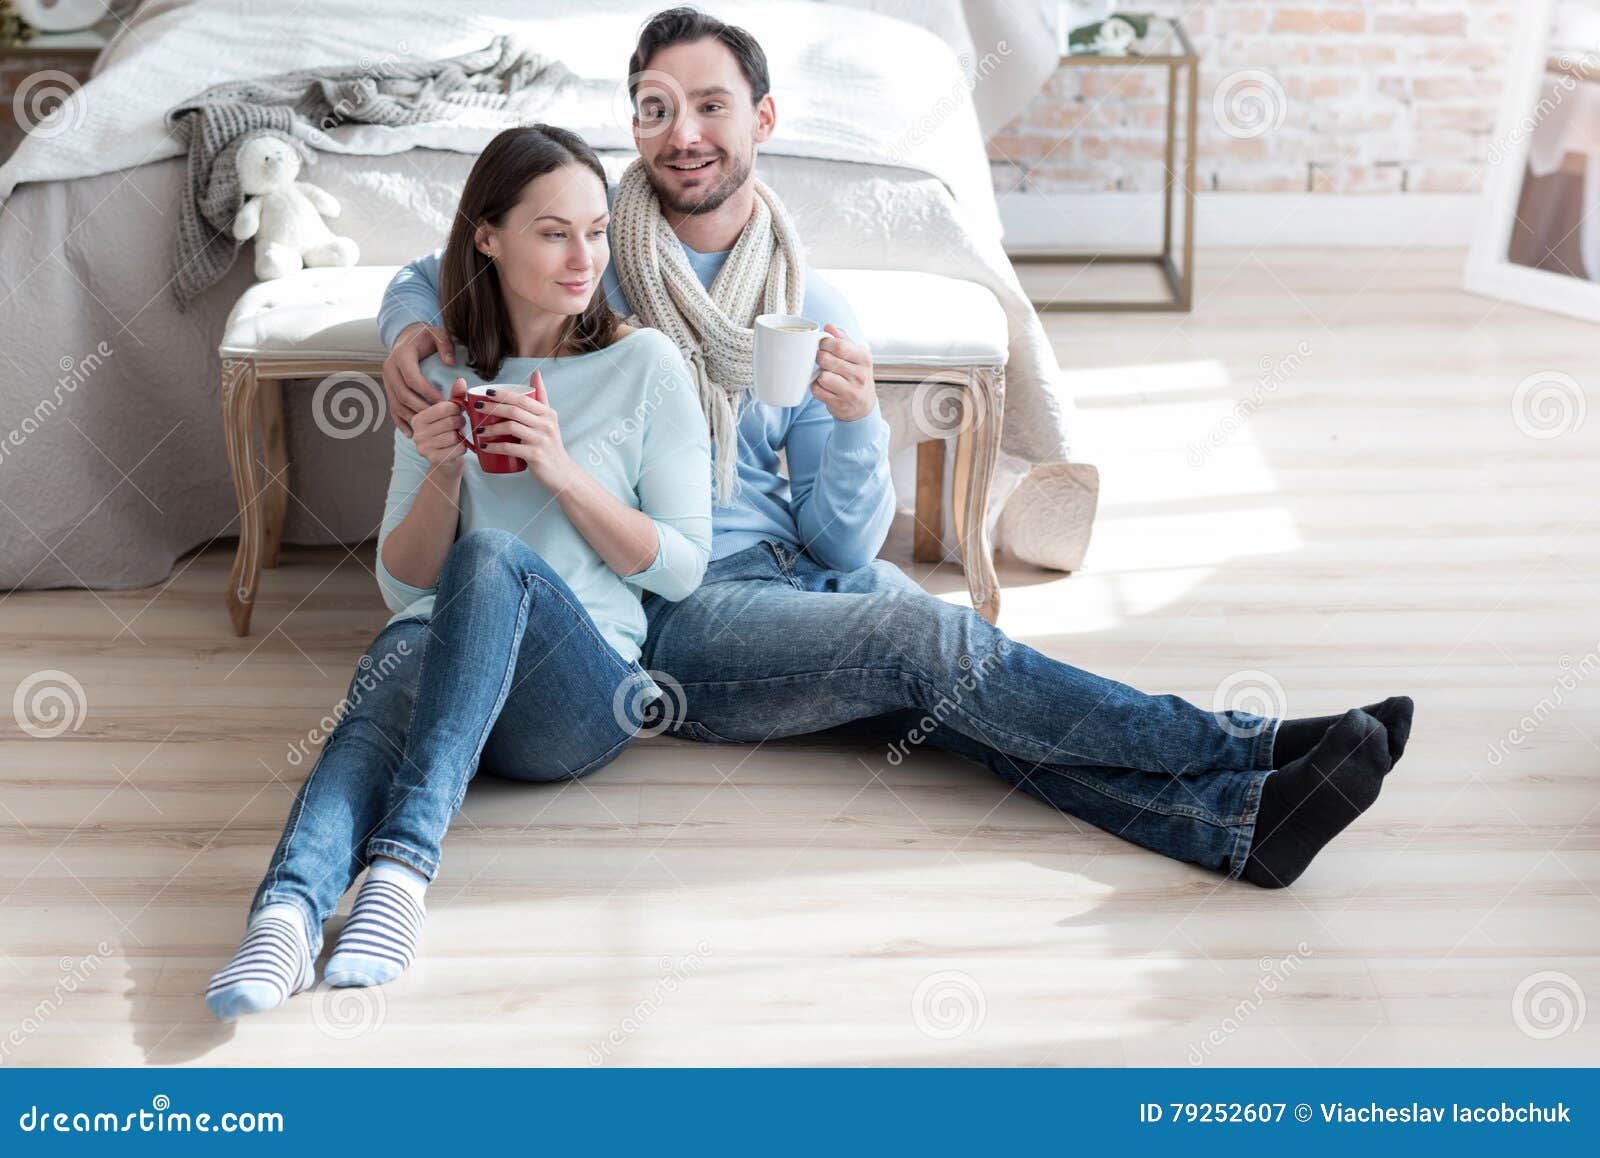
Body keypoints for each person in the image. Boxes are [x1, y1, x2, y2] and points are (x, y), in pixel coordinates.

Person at [378, 7, 1415, 893]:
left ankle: (1238, 830)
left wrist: (860, 422)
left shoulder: (810, 305)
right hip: (676, 604)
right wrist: (406, 335)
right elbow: (437, 272)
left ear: (763, 121)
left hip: (795, 572)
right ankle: (1250, 743)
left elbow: (837, 538)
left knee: (956, 697)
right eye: (655, 107)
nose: (681, 132)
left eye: (710, 105)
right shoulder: (589, 262)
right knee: (941, 650)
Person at [205, 123, 712, 1020]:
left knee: (489, 559)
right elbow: (403, 587)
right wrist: (442, 471)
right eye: (554, 232)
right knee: (387, 682)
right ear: (488, 236)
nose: (583, 256)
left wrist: (561, 470)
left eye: (594, 231)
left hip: (579, 696)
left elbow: (680, 569)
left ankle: (401, 868)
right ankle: (282, 918)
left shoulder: (645, 365)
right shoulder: (441, 374)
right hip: (446, 675)